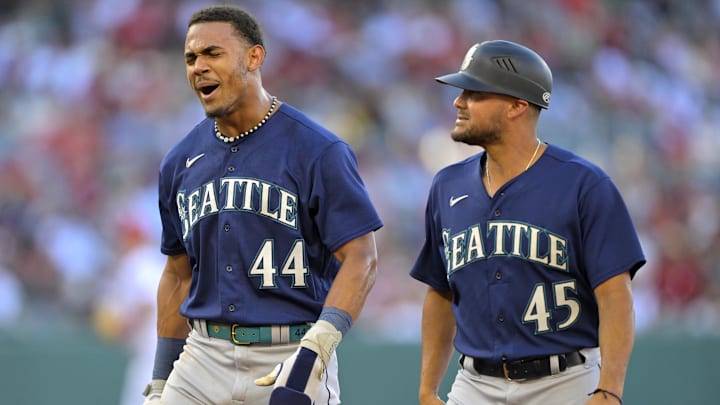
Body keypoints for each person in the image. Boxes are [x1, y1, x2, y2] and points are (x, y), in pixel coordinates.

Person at [142, 5, 382, 404]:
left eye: (212, 54)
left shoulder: (318, 150)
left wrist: (320, 342)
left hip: (289, 349)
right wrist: (161, 380)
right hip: (203, 354)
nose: (198, 66)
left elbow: (362, 257)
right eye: (190, 58)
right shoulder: (180, 161)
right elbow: (177, 275)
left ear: (254, 57)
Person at [410, 40, 646, 405]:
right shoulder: (447, 185)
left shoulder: (583, 185)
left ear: (517, 105)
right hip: (474, 384)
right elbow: (440, 292)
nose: (458, 102)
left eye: (474, 92)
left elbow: (615, 296)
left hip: (565, 382)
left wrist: (610, 389)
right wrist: (427, 389)